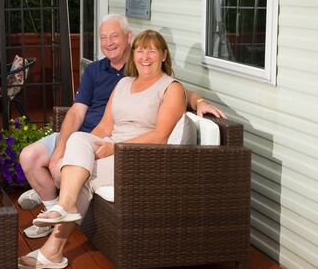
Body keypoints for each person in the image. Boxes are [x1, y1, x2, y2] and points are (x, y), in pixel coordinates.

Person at [17, 14, 226, 239]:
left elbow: (175, 90)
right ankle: (53, 205)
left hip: (111, 143)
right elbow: (77, 110)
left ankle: (54, 209)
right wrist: (61, 147)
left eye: (114, 36)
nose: (109, 42)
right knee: (30, 156)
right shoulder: (98, 71)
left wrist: (199, 101)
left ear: (128, 38)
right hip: (86, 137)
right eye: (104, 37)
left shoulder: (148, 71)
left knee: (64, 170)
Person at [18, 29, 188, 268]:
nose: (145, 57)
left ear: (163, 55)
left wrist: (114, 148)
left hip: (140, 157)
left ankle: (53, 249)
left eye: (152, 50)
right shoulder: (124, 83)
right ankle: (64, 207)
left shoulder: (171, 88)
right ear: (134, 55)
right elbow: (103, 126)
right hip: (111, 147)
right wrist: (84, 148)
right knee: (78, 140)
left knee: (81, 177)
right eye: (140, 50)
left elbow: (160, 137)